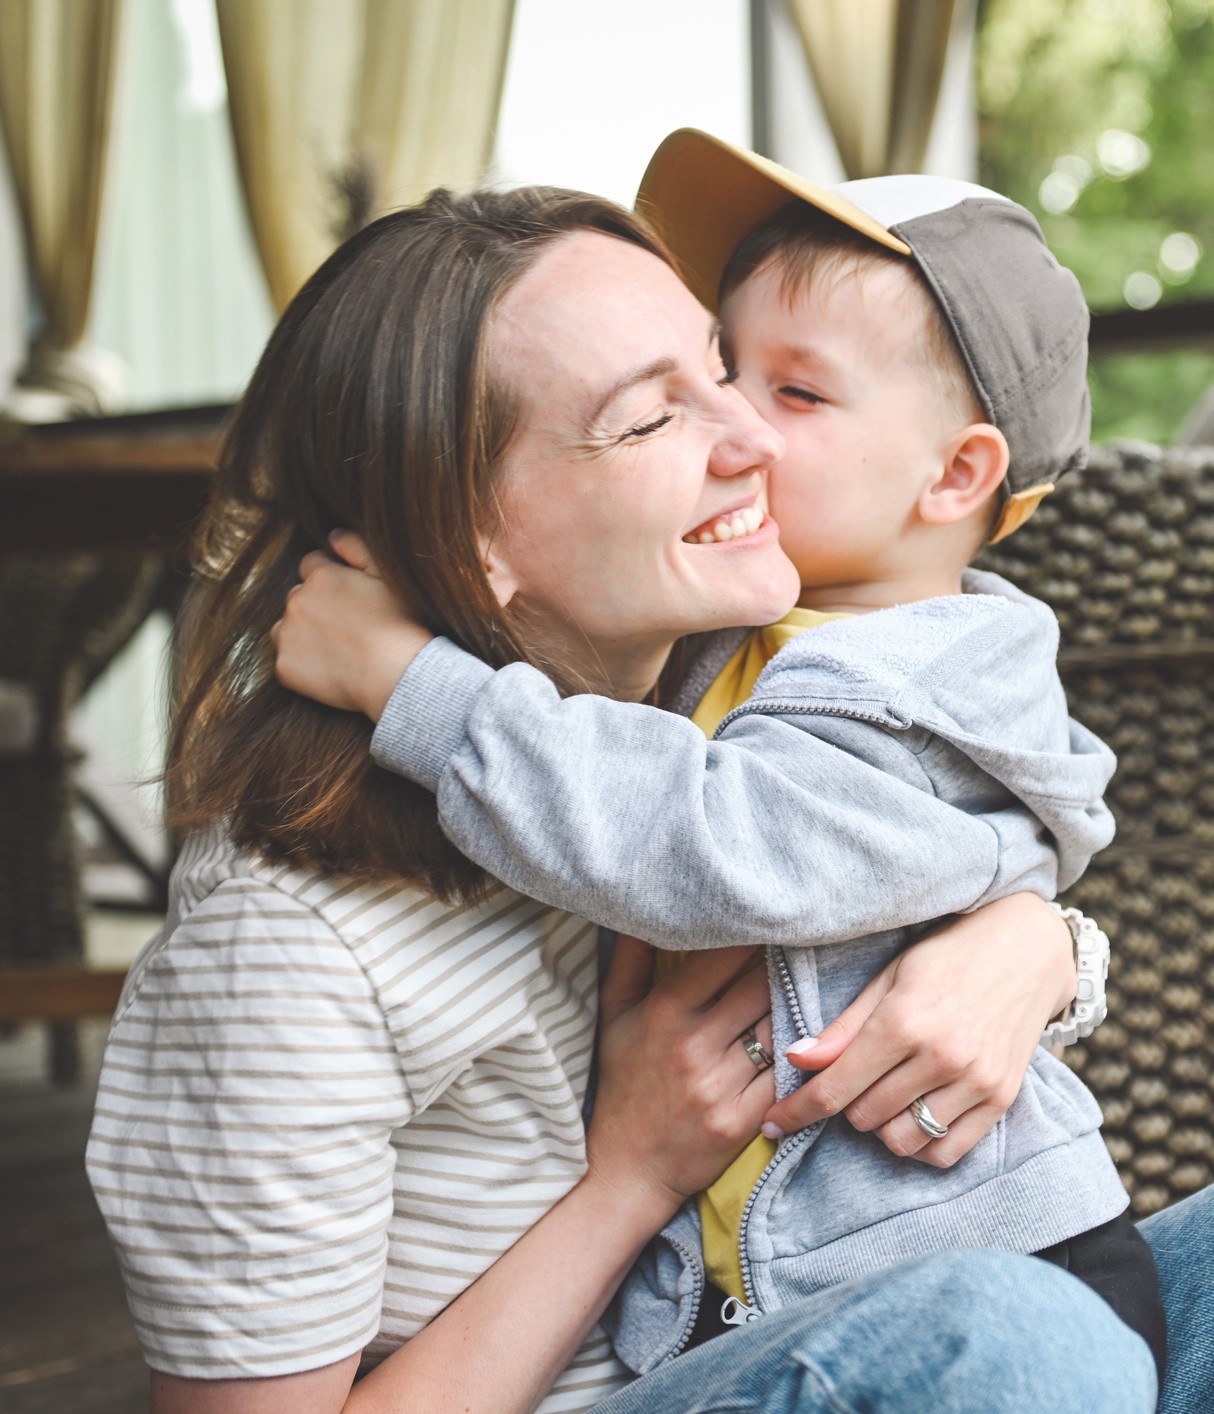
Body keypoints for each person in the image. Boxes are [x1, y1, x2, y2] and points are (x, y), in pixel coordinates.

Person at [85, 185, 1152, 1414]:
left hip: (847, 1295)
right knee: (1009, 1341)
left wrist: (1037, 947)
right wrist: (630, 1176)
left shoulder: (664, 733)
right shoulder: (285, 952)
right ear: (470, 526)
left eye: (728, 370)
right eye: (655, 417)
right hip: (761, 1340)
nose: (748, 433)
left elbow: (865, 828)